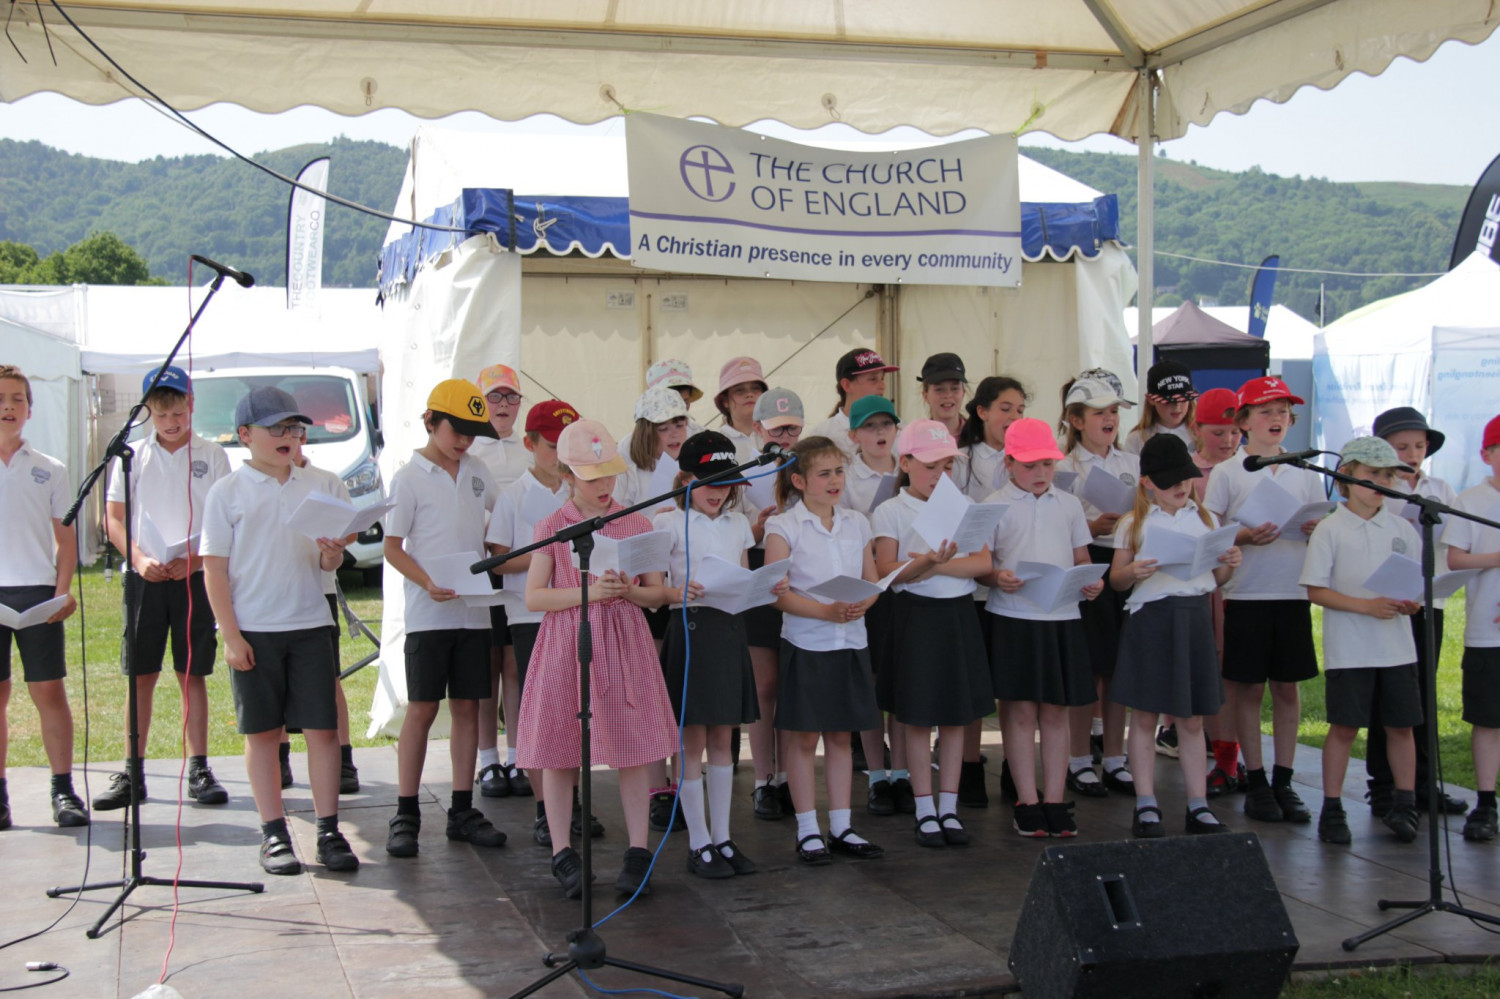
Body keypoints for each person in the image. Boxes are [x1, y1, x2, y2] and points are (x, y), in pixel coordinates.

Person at [200, 385, 356, 873]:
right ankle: (273, 832)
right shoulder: (227, 492)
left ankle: (329, 831)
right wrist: (230, 634)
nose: (289, 436)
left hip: (310, 622)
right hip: (255, 629)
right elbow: (214, 568)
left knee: (323, 731)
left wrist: (333, 555)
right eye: (276, 428)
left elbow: (329, 559)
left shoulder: (317, 485)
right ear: (245, 436)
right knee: (263, 734)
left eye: (294, 427)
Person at [520, 419, 678, 899]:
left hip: (624, 638)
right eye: (592, 477)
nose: (604, 485)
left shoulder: (637, 522)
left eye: (609, 473)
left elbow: (657, 595)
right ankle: (563, 852)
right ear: (568, 475)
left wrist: (627, 590)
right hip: (569, 639)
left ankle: (637, 851)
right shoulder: (551, 526)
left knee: (632, 745)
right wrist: (586, 592)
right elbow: (533, 597)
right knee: (560, 745)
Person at [381, 379, 508, 859]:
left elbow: (503, 515)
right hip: (429, 613)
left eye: (473, 434)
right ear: (431, 422)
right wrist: (427, 581)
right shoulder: (408, 477)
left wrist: (497, 551)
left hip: (472, 610)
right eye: (457, 430)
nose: (463, 442)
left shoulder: (477, 471)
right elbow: (393, 547)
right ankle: (406, 810)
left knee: (470, 707)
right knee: (422, 708)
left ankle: (461, 807)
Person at [98, 365, 231, 811]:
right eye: (161, 414)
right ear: (147, 413)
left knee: (192, 671)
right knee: (141, 674)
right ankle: (133, 769)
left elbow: (223, 519)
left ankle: (198, 766)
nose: (171, 422)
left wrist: (192, 560)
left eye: (178, 411)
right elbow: (112, 518)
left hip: (193, 576)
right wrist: (138, 559)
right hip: (145, 577)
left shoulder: (213, 456)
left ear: (191, 406)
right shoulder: (130, 456)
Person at [655, 431, 781, 878]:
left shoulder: (737, 525)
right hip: (689, 631)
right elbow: (652, 590)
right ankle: (698, 841)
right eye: (709, 481)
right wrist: (676, 591)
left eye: (726, 483)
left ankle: (723, 837)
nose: (719, 492)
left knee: (724, 739)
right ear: (686, 478)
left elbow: (743, 582)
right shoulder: (666, 522)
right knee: (692, 741)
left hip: (728, 630)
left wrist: (766, 587)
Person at [1203, 375, 1324, 826]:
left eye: (1283, 412)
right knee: (1248, 688)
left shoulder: (1306, 472)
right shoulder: (1228, 472)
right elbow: (1211, 532)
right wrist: (1246, 536)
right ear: (1244, 420)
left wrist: (1317, 529)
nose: (1277, 419)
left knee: (1287, 689)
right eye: (1266, 411)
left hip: (1292, 590)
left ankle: (1284, 779)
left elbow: (1320, 527)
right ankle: (1254, 779)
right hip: (1248, 592)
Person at [1109, 434, 1242, 837]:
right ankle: (1146, 802)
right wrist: (1133, 572)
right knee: (1145, 715)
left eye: (1185, 479)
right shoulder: (1134, 524)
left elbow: (1217, 577)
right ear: (1148, 483)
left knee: (1191, 716)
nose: (1180, 488)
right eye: (1170, 482)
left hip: (1193, 616)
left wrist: (1230, 563)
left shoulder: (1206, 520)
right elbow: (1116, 579)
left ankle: (1197, 804)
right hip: (1152, 618)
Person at [764, 436, 885, 864]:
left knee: (840, 735)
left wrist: (859, 604)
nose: (835, 481)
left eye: (839, 471)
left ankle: (841, 826)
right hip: (807, 642)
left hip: (850, 641)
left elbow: (871, 580)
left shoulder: (857, 522)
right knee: (801, 739)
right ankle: (807, 828)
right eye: (824, 473)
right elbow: (776, 594)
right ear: (799, 480)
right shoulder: (783, 527)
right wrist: (824, 612)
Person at [872, 420, 993, 847]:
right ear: (904, 464)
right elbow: (888, 571)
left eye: (947, 466)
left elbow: (983, 564)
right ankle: (924, 807)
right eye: (929, 466)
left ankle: (949, 806)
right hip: (915, 617)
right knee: (918, 715)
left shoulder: (959, 504)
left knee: (957, 715)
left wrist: (932, 563)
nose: (940, 476)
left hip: (957, 613)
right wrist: (923, 565)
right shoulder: (890, 510)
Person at [981, 417, 1104, 838]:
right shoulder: (994, 505)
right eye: (1031, 465)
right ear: (1009, 462)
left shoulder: (1068, 505)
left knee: (1056, 712)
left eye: (1047, 465)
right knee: (1018, 713)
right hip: (1013, 617)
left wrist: (1091, 579)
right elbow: (984, 566)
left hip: (1061, 616)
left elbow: (1081, 555)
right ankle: (1026, 800)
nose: (1040, 474)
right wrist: (998, 577)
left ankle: (1054, 799)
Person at [1300, 437, 1425, 845]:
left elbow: (1417, 587)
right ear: (1347, 477)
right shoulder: (1330, 529)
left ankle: (1405, 804)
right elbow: (1315, 590)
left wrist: (1411, 604)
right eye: (1372, 474)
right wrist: (1365, 606)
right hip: (1350, 648)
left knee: (1401, 725)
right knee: (1344, 727)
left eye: (1389, 475)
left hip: (1397, 647)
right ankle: (1332, 807)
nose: (1381, 482)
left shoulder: (1403, 528)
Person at [486, 400, 579, 844]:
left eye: (569, 443)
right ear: (530, 444)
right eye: (552, 444)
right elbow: (496, 559)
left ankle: (569, 803)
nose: (560, 453)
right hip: (529, 613)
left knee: (572, 708)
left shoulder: (576, 490)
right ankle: (546, 807)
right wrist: (546, 554)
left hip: (574, 608)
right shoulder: (515, 495)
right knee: (539, 710)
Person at [1367, 406, 1467, 816]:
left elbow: (1459, 538)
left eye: (1419, 446)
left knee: (1422, 689)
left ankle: (1423, 781)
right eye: (1402, 446)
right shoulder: (1373, 490)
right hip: (1389, 602)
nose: (1412, 454)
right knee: (1386, 690)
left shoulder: (1440, 487)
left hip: (1430, 599)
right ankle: (1383, 784)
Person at [0, 365, 85, 831]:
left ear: (30, 409)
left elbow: (66, 539)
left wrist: (62, 592)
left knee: (48, 691)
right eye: (0, 399)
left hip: (37, 594)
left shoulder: (49, 468)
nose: (8, 406)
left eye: (17, 399)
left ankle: (63, 790)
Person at [1058, 374, 1139, 801]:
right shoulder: (1062, 468)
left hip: (1124, 562)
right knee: (1089, 666)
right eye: (1099, 412)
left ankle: (1114, 757)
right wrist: (1090, 526)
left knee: (1117, 668)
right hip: (1086, 562)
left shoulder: (1131, 463)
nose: (1109, 419)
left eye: (1113, 412)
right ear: (1075, 420)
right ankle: (1076, 760)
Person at [954, 374, 1029, 807]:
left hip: (1014, 589)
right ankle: (967, 766)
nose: (1013, 416)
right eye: (1005, 408)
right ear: (981, 412)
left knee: (1012, 687)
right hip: (972, 586)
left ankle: (1016, 771)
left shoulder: (1028, 457)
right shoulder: (963, 461)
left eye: (1020, 409)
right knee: (972, 686)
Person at [278, 433, 360, 796]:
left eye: (293, 434)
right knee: (276, 680)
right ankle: (280, 755)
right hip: (274, 593)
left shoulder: (327, 480)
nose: (287, 442)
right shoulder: (260, 482)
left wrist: (336, 540)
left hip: (319, 589)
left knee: (330, 677)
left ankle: (343, 757)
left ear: (303, 438)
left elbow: (353, 527)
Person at [466, 364, 533, 803]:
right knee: (486, 666)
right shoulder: (470, 452)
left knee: (514, 665)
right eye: (495, 398)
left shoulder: (529, 452)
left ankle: (517, 755)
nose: (504, 406)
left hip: (525, 569)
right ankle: (487, 758)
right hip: (484, 565)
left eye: (511, 398)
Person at [840, 394, 909, 815]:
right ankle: (877, 774)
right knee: (869, 683)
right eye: (870, 427)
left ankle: (901, 773)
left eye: (886, 425)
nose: (880, 433)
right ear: (854, 435)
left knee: (899, 683)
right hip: (867, 583)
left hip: (904, 586)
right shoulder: (846, 477)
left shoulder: (911, 468)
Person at [744, 388, 804, 821]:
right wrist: (758, 528)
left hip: (804, 576)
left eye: (794, 428)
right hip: (761, 575)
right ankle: (763, 778)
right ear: (757, 428)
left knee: (794, 684)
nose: (786, 437)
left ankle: (789, 776)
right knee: (764, 685)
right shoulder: (743, 468)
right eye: (779, 428)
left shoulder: (807, 462)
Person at [1444, 413, 1500, 843]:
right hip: (1488, 630)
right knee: (1487, 720)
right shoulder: (1471, 501)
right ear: (1487, 455)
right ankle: (1485, 801)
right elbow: (1456, 559)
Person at [1190, 387, 1247, 796]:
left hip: (1252, 582)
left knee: (1240, 676)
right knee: (1215, 669)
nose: (1227, 441)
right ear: (1197, 430)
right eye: (1217, 433)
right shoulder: (1189, 471)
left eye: (1233, 432)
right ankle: (1219, 753)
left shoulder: (1252, 466)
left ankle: (1235, 755)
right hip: (1212, 582)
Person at [810, 348, 898, 463]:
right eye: (873, 379)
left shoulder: (898, 428)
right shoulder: (823, 434)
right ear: (846, 385)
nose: (882, 385)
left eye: (882, 378)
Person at [1123, 360, 1198, 455]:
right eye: (1169, 401)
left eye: (1183, 399)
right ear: (1151, 399)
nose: (1177, 406)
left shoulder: (1201, 435)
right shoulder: (1137, 439)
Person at [713, 357, 768, 463]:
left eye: (755, 388)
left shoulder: (777, 434)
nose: (749, 394)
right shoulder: (715, 443)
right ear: (725, 401)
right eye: (739, 390)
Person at [646, 358, 706, 435]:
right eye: (672, 403)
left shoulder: (700, 434)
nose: (680, 409)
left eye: (685, 402)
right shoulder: (636, 440)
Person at [918, 353, 967, 438]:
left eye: (954, 388)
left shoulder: (979, 437)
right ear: (925, 396)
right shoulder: (917, 439)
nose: (948, 395)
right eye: (939, 389)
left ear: (963, 392)